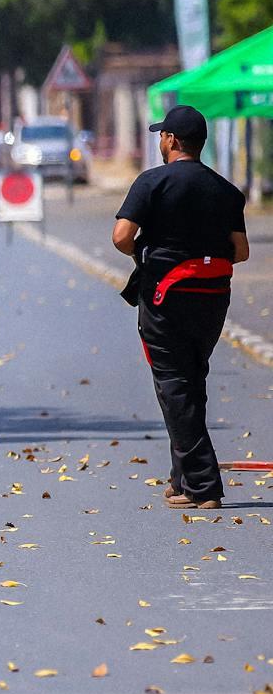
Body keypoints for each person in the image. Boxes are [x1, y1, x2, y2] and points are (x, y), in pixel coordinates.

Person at [113, 105, 251, 510]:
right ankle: (183, 479)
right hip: (213, 300)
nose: (160, 141)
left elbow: (121, 236)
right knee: (191, 382)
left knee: (174, 385)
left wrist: (147, 253)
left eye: (161, 135)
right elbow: (240, 252)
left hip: (165, 298)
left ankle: (205, 486)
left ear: (171, 140)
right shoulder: (227, 191)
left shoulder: (152, 183)